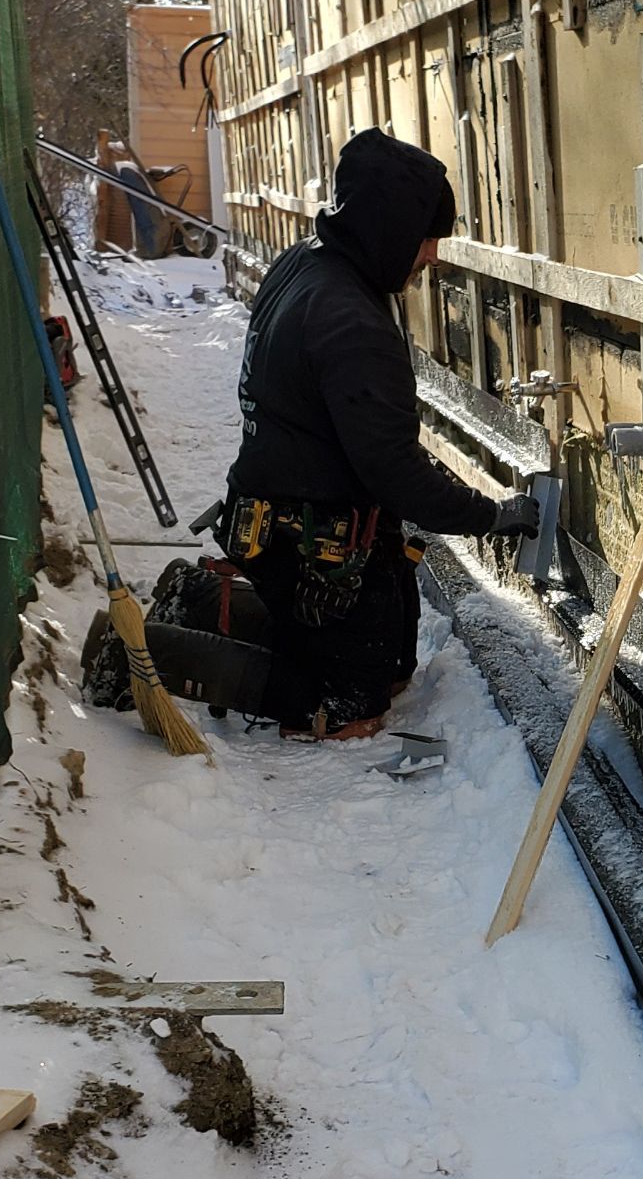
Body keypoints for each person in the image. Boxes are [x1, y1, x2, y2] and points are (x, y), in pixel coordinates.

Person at [220, 128, 538, 739]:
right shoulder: (350, 322)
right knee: (352, 709)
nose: (433, 259)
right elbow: (396, 472)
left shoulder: (307, 264)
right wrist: (490, 516)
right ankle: (197, 631)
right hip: (300, 541)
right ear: (389, 228)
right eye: (426, 241)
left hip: (282, 515)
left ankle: (283, 626)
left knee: (393, 666)